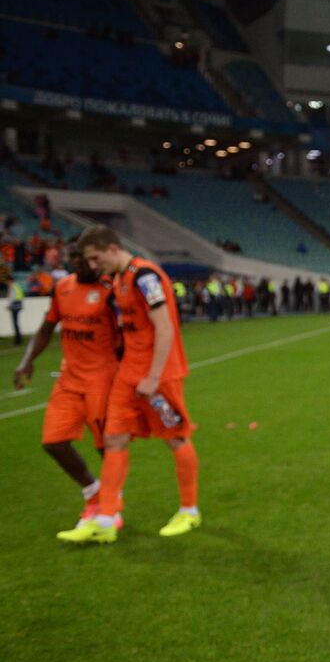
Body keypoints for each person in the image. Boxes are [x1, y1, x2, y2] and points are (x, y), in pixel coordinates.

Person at [58, 226, 201, 544]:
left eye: (96, 258)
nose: (94, 266)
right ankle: (107, 519)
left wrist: (152, 377)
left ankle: (189, 511)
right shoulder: (119, 280)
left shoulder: (145, 277)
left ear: (111, 248)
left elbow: (164, 328)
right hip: (128, 375)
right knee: (113, 440)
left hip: (159, 377)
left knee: (176, 438)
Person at [14, 245, 123, 529]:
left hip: (102, 379)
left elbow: (126, 333)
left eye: (84, 260)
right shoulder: (62, 287)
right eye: (73, 260)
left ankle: (112, 505)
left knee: (106, 447)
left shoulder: (111, 289)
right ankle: (93, 491)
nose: (79, 265)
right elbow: (47, 328)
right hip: (69, 379)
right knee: (53, 442)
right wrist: (27, 361)